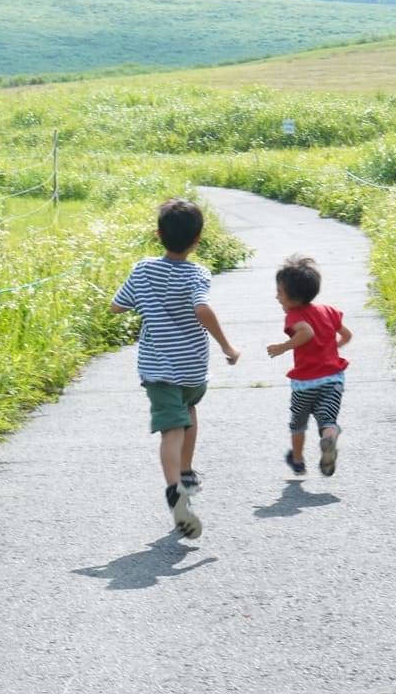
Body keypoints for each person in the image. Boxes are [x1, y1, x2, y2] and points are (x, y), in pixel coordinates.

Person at [111, 198, 240, 539]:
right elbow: (202, 307)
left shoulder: (142, 270)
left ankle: (174, 490)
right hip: (193, 367)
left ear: (158, 235)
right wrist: (226, 345)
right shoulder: (198, 273)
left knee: (171, 429)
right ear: (198, 239)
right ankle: (185, 472)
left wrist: (141, 303)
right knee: (189, 411)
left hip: (158, 367)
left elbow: (116, 306)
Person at [266, 254, 351, 477]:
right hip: (332, 379)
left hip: (304, 383)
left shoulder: (294, 316)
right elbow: (347, 334)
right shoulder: (329, 311)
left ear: (294, 298)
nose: (277, 298)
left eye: (280, 294)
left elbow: (307, 332)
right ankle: (329, 439)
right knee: (328, 420)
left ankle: (297, 460)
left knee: (298, 424)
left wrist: (283, 347)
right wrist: (334, 347)